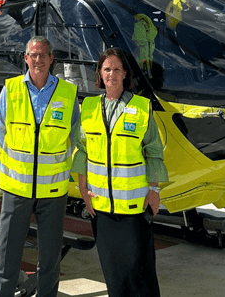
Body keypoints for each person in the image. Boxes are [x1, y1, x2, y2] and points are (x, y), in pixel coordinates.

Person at [73, 47, 168, 297]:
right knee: (113, 273)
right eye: (107, 69)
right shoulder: (89, 107)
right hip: (101, 208)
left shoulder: (141, 107)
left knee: (140, 272)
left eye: (117, 69)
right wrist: (83, 188)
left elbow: (154, 152)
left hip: (134, 208)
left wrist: (154, 189)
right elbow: (82, 151)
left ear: (125, 73)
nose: (112, 74)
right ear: (100, 73)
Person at [0, 36, 81, 297]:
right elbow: (0, 131)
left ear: (51, 59)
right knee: (6, 257)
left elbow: (73, 136)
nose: (38, 60)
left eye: (43, 55)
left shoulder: (68, 93)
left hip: (52, 192)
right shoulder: (11, 89)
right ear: (26, 58)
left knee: (50, 260)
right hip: (16, 190)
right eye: (33, 55)